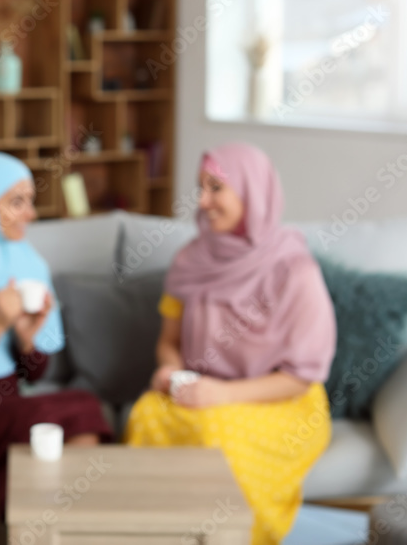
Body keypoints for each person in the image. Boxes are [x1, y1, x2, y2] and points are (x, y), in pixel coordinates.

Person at [124, 143, 336, 545]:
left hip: (281, 400)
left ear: (251, 192)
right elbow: (168, 341)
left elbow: (300, 377)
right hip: (203, 389)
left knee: (219, 436)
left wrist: (222, 394)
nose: (202, 201)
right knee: (146, 414)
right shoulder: (190, 259)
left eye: (216, 187)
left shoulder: (294, 268)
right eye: (200, 187)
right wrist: (170, 369)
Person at [0, 151, 112, 518]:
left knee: (26, 495)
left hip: (9, 411)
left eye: (30, 202)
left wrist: (25, 338)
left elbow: (36, 374)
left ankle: (83, 524)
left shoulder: (29, 264)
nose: (31, 215)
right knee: (82, 405)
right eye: (16, 202)